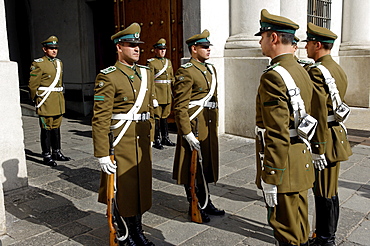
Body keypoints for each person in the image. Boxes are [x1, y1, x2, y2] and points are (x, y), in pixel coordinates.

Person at [254, 9, 315, 246]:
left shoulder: (273, 76)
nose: (260, 41)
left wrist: (270, 176)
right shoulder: (302, 69)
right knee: (300, 228)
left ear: (274, 38)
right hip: (300, 158)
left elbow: (277, 132)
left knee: (286, 232)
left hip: (284, 167)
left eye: (263, 35)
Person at [92, 23, 155, 246]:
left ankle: (137, 231)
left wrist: (151, 136)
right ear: (119, 47)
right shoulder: (108, 76)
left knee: (140, 190)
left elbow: (151, 111)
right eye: (131, 45)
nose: (137, 49)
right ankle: (126, 234)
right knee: (123, 190)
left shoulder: (147, 73)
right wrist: (101, 153)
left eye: (138, 45)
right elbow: (100, 119)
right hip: (121, 142)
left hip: (141, 142)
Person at [304, 22, 352, 246]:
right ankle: (327, 236)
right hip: (336, 134)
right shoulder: (337, 68)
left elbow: (319, 112)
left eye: (308, 43)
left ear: (317, 44)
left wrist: (317, 147)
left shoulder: (317, 71)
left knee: (323, 190)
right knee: (330, 188)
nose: (305, 47)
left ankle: (324, 239)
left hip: (325, 137)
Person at [172, 29, 224, 223]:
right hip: (193, 127)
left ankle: (206, 201)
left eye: (209, 46)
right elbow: (180, 106)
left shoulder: (210, 70)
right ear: (194, 49)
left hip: (207, 125)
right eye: (204, 47)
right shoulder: (186, 72)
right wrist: (186, 133)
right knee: (191, 169)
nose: (208, 49)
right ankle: (194, 204)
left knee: (205, 167)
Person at [28, 35, 71, 167]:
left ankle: (56, 152)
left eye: (55, 48)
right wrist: (36, 99)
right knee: (46, 128)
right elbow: (32, 85)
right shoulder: (39, 64)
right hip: (45, 101)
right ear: (44, 49)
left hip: (57, 100)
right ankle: (46, 154)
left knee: (56, 127)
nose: (54, 51)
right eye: (51, 48)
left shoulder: (59, 63)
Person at [147, 38, 176, 149]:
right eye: (160, 49)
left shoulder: (168, 62)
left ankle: (165, 138)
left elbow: (171, 78)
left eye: (164, 49)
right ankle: (156, 139)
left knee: (165, 117)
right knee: (156, 117)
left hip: (167, 94)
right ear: (155, 50)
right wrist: (153, 97)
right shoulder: (151, 63)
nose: (163, 51)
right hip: (158, 95)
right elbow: (151, 81)